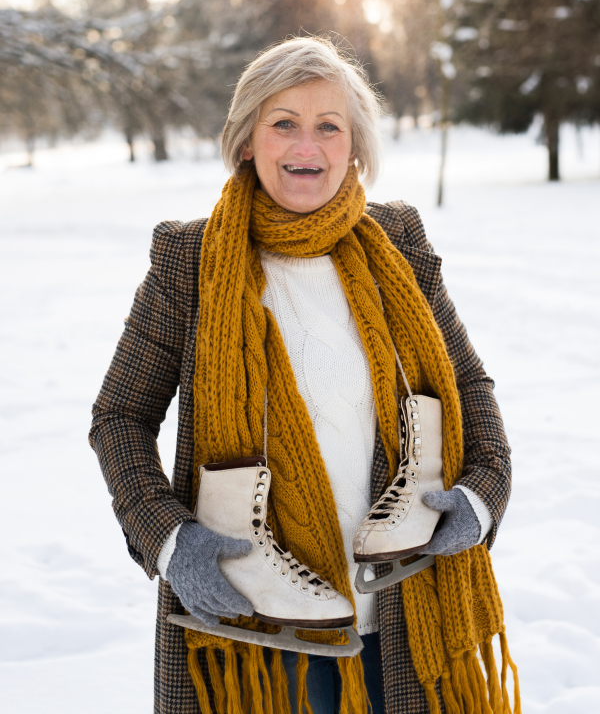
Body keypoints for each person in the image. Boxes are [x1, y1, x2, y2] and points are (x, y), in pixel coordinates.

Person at [90, 37, 518, 714]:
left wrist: (482, 493)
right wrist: (172, 542)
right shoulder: (190, 259)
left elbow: (465, 380)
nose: (305, 144)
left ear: (354, 146)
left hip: (404, 608)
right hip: (251, 624)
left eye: (329, 125)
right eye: (283, 121)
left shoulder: (398, 241)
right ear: (247, 138)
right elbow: (120, 416)